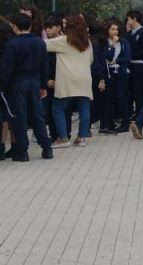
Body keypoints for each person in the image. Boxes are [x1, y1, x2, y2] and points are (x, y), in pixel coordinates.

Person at [1, 13, 54, 161]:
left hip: (17, 84)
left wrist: (3, 85)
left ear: (14, 27)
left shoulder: (12, 44)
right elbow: (45, 65)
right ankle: (47, 148)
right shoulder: (39, 42)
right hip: (35, 82)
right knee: (37, 116)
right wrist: (43, 84)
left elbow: (6, 69)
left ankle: (22, 152)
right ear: (30, 26)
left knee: (20, 117)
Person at [45, 15, 94, 147]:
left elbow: (43, 45)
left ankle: (63, 138)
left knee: (58, 108)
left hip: (67, 79)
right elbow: (91, 60)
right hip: (84, 78)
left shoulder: (64, 40)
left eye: (65, 24)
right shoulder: (87, 42)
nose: (63, 26)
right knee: (84, 108)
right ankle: (82, 137)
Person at [100, 19, 132, 135]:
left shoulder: (123, 42)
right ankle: (109, 123)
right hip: (109, 73)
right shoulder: (104, 42)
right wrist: (112, 45)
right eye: (112, 29)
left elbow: (128, 57)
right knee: (109, 97)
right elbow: (107, 57)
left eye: (116, 29)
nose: (115, 32)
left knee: (121, 96)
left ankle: (125, 122)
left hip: (121, 72)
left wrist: (116, 60)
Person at [125, 10, 143, 121]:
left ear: (134, 19)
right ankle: (130, 111)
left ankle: (140, 113)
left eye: (129, 19)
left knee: (138, 90)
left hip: (139, 65)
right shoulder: (130, 33)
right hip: (129, 65)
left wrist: (130, 55)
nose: (128, 21)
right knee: (130, 90)